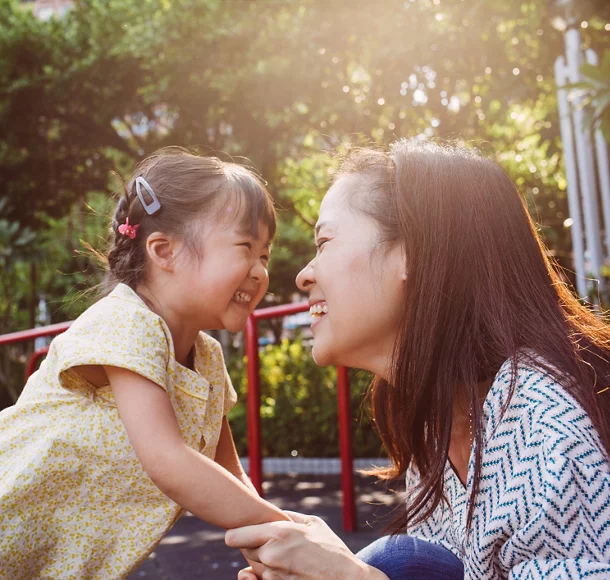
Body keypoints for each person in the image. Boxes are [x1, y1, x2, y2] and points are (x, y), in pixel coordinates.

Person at [226, 140, 610, 579]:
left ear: (410, 253)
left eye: (325, 241)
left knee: (390, 563)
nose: (302, 274)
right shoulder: (438, 421)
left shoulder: (543, 415)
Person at [0, 148, 290, 579]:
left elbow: (230, 479)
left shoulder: (207, 359)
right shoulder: (126, 321)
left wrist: (279, 555)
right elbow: (169, 462)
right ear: (163, 250)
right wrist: (290, 530)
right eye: (245, 248)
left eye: (264, 255)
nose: (259, 271)